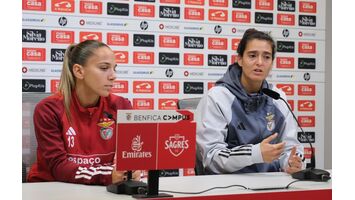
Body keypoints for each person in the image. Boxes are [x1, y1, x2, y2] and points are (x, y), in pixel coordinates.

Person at [27, 40, 141, 185]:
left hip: (101, 189)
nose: (113, 76)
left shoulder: (121, 106)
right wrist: (108, 175)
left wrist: (131, 171)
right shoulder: (49, 109)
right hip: (51, 188)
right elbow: (58, 167)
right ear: (79, 71)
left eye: (114, 68)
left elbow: (130, 157)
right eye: (104, 68)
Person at [195, 29, 305, 175]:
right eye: (252, 56)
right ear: (240, 59)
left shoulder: (278, 97)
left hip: (271, 185)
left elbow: (290, 148)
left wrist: (291, 163)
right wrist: (255, 153)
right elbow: (211, 158)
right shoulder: (217, 97)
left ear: (272, 62)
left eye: (266, 57)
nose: (259, 62)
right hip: (226, 188)